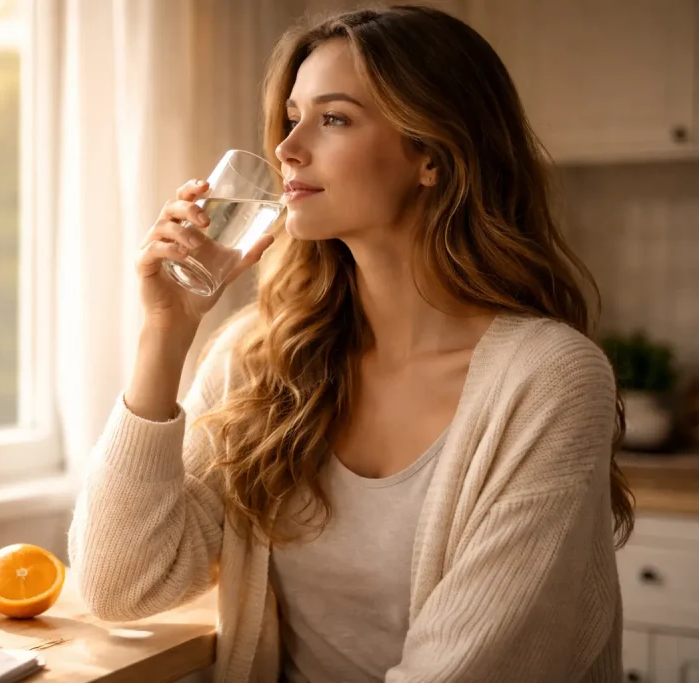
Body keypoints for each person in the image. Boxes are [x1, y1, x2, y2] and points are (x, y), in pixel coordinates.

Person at [68, 6, 632, 683]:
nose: (287, 147)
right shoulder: (260, 354)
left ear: (431, 154)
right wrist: (165, 333)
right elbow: (121, 585)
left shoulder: (550, 378)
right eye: (292, 115)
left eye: (332, 119)